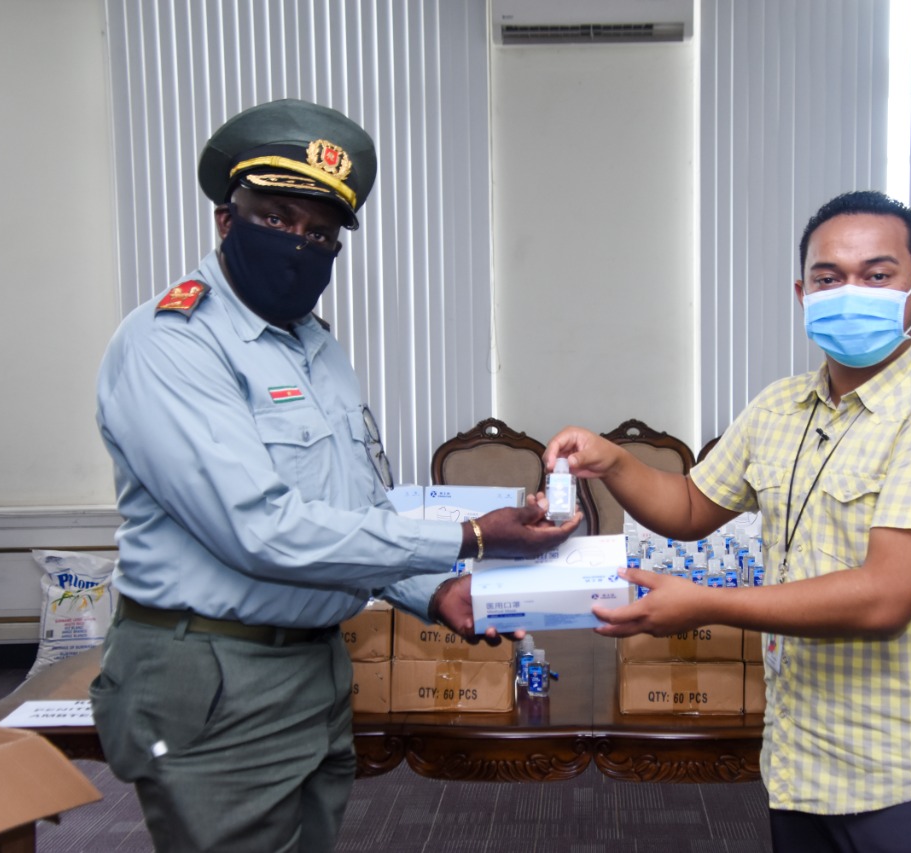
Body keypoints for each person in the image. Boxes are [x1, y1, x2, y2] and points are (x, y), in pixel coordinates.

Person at [91, 98, 579, 852]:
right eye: (276, 218)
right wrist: (472, 538)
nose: (299, 243)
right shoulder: (173, 344)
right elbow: (262, 531)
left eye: (320, 233)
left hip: (312, 664)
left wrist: (434, 591)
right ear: (226, 220)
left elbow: (356, 508)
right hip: (216, 674)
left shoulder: (313, 346)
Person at [545, 190, 911, 852]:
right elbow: (691, 507)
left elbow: (885, 596)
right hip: (804, 761)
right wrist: (614, 461)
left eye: (877, 275)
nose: (849, 293)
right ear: (802, 293)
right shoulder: (780, 407)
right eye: (829, 278)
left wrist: (705, 604)